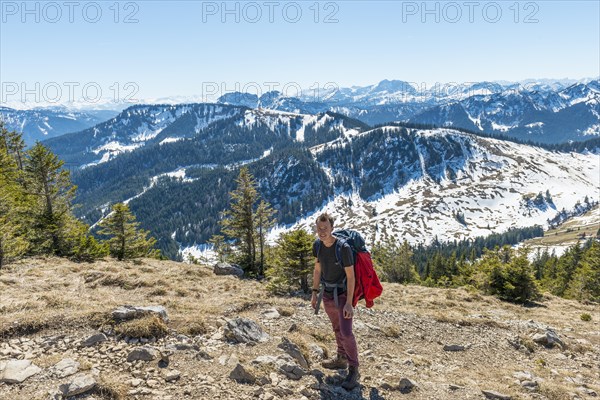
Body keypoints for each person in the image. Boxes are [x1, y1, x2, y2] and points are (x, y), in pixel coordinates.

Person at [311, 212, 360, 390]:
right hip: (327, 293)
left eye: (325, 228)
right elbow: (317, 270)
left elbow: (351, 276)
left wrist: (349, 302)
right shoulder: (317, 245)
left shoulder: (343, 248)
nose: (322, 231)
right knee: (336, 327)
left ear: (332, 228)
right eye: (319, 228)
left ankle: (354, 368)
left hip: (342, 294)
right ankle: (341, 358)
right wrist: (314, 292)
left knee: (346, 332)